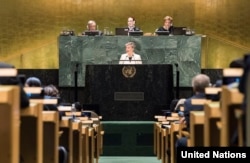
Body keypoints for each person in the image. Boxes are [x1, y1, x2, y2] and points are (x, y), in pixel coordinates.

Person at [175, 74, 210, 147]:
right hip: (214, 139)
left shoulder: (188, 103)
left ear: (194, 88)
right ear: (209, 86)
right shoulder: (215, 101)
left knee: (180, 142)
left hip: (196, 140)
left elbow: (188, 124)